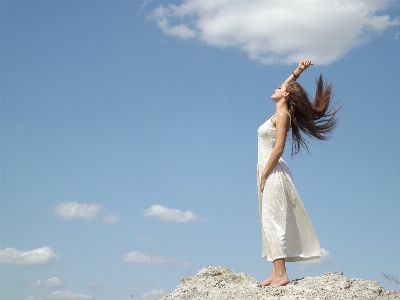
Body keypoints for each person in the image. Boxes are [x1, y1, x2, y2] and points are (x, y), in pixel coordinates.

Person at [257, 60, 340, 287]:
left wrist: (264, 174)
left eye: (280, 89)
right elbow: (287, 86)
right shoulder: (278, 112)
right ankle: (275, 273)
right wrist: (299, 71)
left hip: (273, 172)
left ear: (285, 96)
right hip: (268, 171)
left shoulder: (283, 117)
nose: (276, 88)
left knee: (274, 221)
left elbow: (279, 148)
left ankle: (281, 274)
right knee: (268, 220)